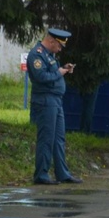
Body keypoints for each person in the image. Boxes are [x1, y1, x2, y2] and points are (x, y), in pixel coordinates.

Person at [27, 28, 82, 185]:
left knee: (58, 138)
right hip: (45, 101)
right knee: (46, 138)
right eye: (59, 46)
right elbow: (41, 77)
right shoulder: (36, 55)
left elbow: (52, 71)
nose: (60, 49)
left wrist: (63, 68)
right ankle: (41, 175)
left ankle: (62, 173)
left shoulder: (49, 55)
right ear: (51, 41)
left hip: (55, 101)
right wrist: (60, 72)